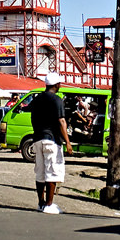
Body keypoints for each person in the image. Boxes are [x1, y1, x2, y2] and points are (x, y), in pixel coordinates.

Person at [30, 72, 73, 214]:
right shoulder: (57, 100)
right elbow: (61, 121)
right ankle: (49, 204)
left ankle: (40, 203)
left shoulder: (36, 99)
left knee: (40, 172)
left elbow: (32, 117)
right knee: (53, 172)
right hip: (52, 139)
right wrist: (67, 142)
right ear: (57, 85)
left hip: (37, 139)